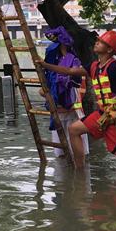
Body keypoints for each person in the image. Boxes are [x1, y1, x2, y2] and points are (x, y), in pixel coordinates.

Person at [38, 30, 116, 172]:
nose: (96, 43)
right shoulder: (94, 66)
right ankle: (79, 171)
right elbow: (70, 71)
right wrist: (45, 65)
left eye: (101, 42)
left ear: (110, 49)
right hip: (103, 114)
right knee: (74, 129)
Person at [40, 26, 88, 159]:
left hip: (72, 109)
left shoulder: (74, 60)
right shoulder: (54, 61)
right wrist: (47, 92)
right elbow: (45, 86)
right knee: (61, 152)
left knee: (77, 150)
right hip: (58, 111)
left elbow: (73, 78)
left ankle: (77, 175)